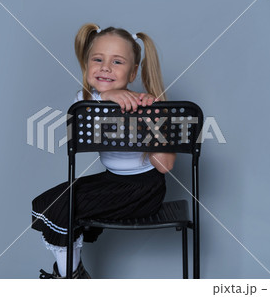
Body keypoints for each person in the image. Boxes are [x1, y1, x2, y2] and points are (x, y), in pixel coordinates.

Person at [31, 23, 176, 279]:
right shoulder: (84, 103)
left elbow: (164, 166)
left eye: (117, 62)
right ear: (87, 65)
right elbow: (81, 121)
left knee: (65, 208)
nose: (106, 67)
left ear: (133, 73)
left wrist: (151, 120)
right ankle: (74, 274)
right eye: (98, 59)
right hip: (111, 181)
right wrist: (107, 98)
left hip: (144, 189)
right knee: (48, 203)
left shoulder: (147, 104)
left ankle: (68, 279)